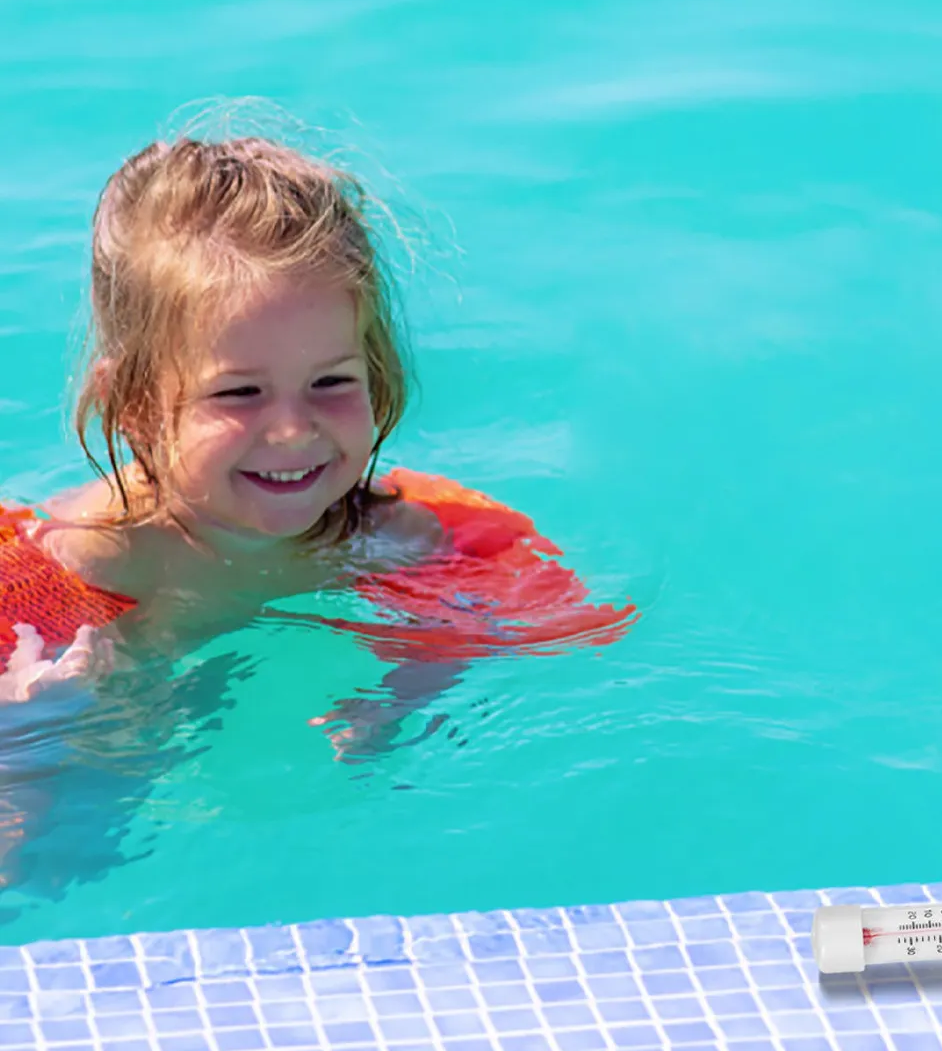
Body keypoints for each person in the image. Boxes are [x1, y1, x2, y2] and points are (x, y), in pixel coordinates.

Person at [0, 131, 634, 730]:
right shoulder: (58, 576)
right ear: (133, 407)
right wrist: (34, 730)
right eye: (240, 393)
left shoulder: (401, 529)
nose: (293, 430)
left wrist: (415, 680)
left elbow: (574, 625)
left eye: (331, 383)